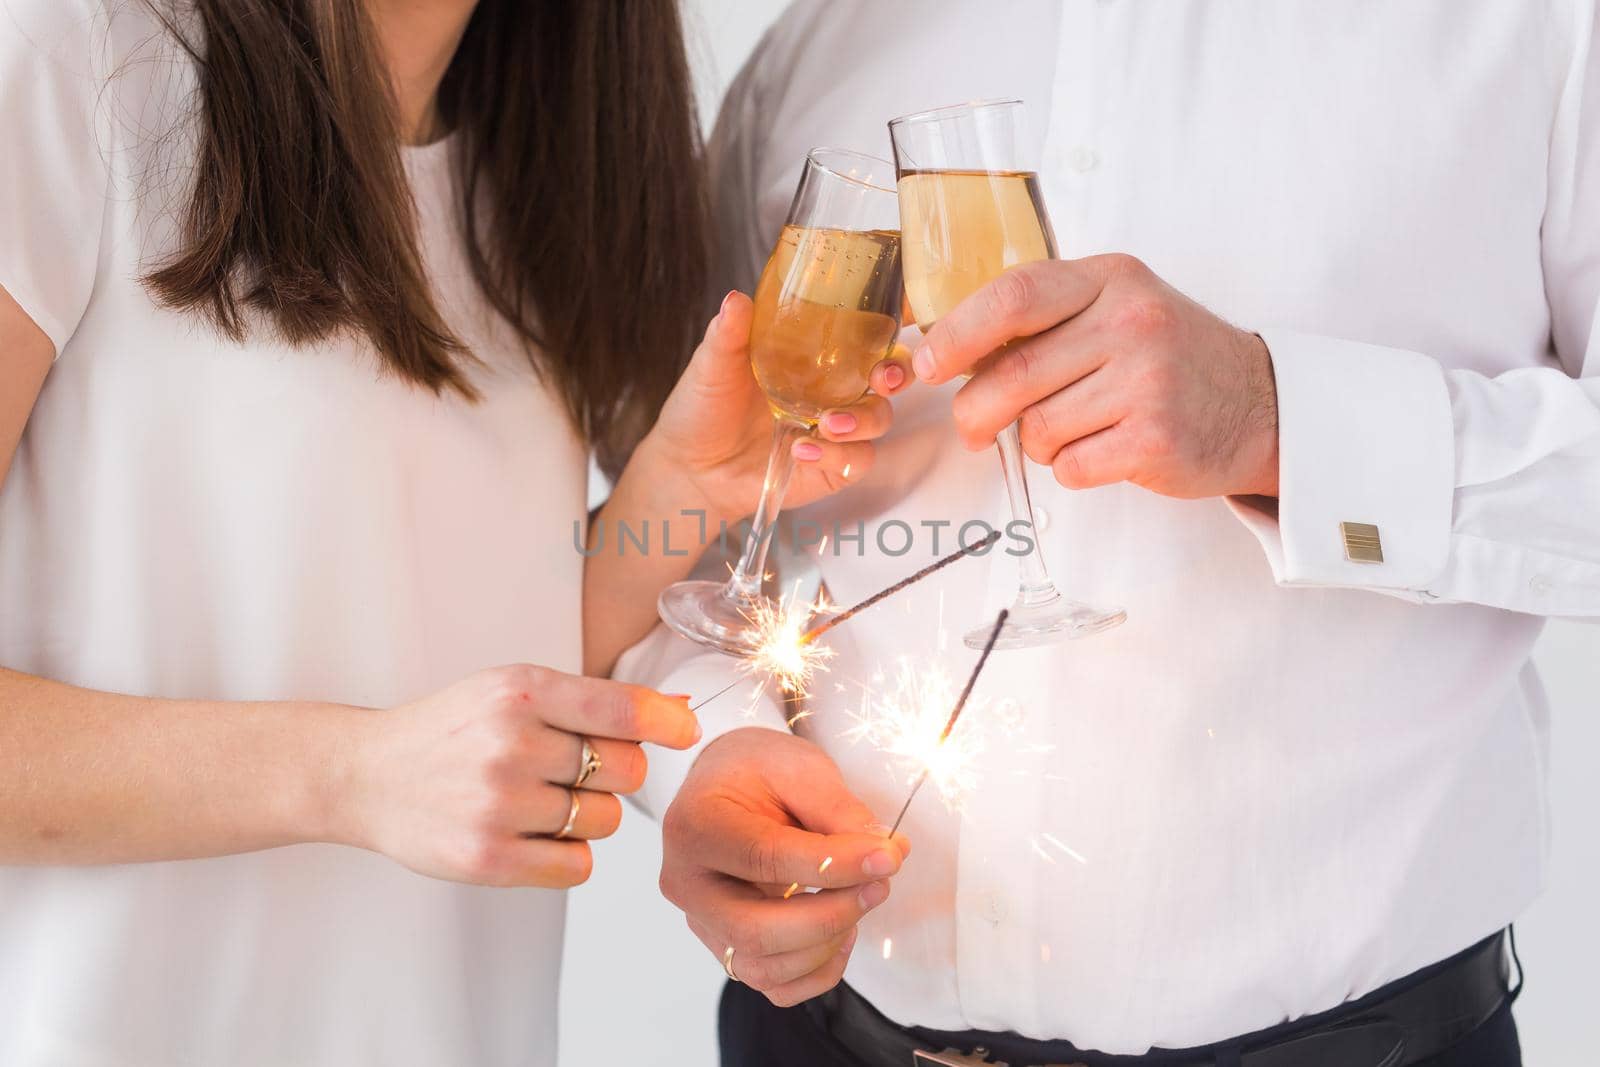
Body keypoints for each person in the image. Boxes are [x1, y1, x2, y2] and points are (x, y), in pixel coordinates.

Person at [620, 2, 1600, 1065]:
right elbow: (686, 493)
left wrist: (1276, 420)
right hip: (814, 1039)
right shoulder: (826, 36)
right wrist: (710, 746)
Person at [0, 1, 903, 1064]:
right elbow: (399, 756)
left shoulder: (542, 160)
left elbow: (462, 643)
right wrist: (351, 771)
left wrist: (683, 489)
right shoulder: (66, 63)